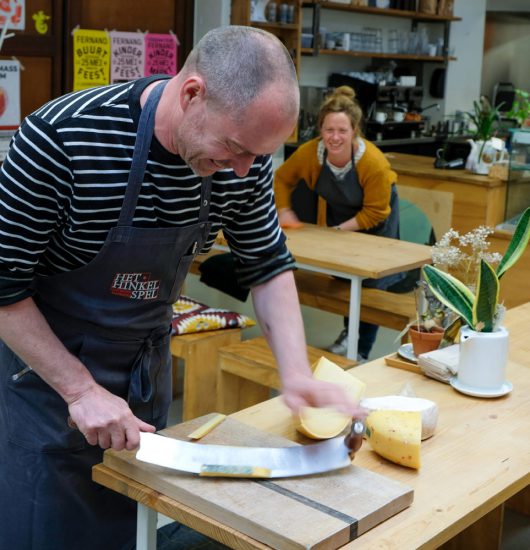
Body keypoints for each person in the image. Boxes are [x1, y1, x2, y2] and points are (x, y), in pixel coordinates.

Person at [0, 27, 365, 550]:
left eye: (257, 156)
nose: (244, 169)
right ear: (192, 93)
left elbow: (265, 261)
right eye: (235, 149)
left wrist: (296, 373)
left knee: (134, 523)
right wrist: (80, 390)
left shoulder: (246, 158)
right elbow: (3, 285)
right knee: (47, 526)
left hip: (144, 368)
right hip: (48, 376)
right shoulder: (62, 139)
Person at [274, 86, 404, 360]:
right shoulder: (311, 153)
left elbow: (376, 212)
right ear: (320, 128)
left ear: (355, 130)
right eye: (328, 130)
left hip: (376, 222)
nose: (335, 137)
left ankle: (362, 351)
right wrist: (283, 209)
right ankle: (349, 334)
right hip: (341, 217)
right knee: (344, 277)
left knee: (369, 285)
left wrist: (338, 232)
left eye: (342, 131)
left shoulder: (373, 163)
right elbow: (282, 178)